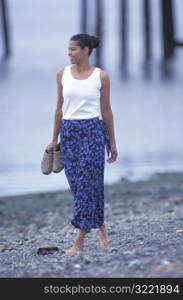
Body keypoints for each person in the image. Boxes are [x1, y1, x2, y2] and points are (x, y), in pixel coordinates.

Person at [46, 33, 118, 255]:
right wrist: (53, 139)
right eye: (68, 49)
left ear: (86, 50)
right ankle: (101, 224)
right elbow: (59, 108)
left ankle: (79, 242)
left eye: (73, 49)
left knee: (88, 183)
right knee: (79, 186)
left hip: (93, 132)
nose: (69, 53)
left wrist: (113, 143)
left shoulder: (101, 76)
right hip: (69, 133)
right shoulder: (62, 74)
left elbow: (106, 110)